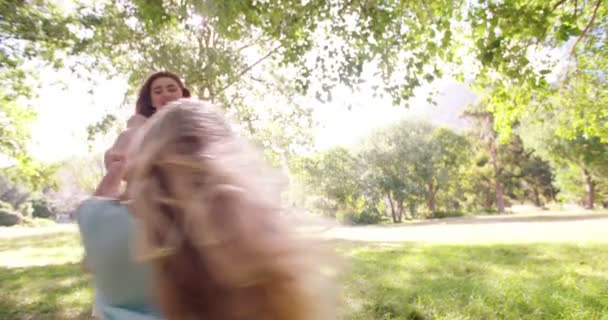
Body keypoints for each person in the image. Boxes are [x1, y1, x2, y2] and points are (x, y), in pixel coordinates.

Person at [77, 99, 338, 320]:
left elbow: (99, 206)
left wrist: (119, 163)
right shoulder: (253, 231)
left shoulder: (97, 221)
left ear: (145, 157)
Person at [87, 71, 191, 319]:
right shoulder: (139, 127)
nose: (165, 94)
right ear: (151, 100)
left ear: (182, 93)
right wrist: (118, 155)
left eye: (171, 88)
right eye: (158, 91)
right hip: (144, 212)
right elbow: (120, 160)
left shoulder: (195, 125)